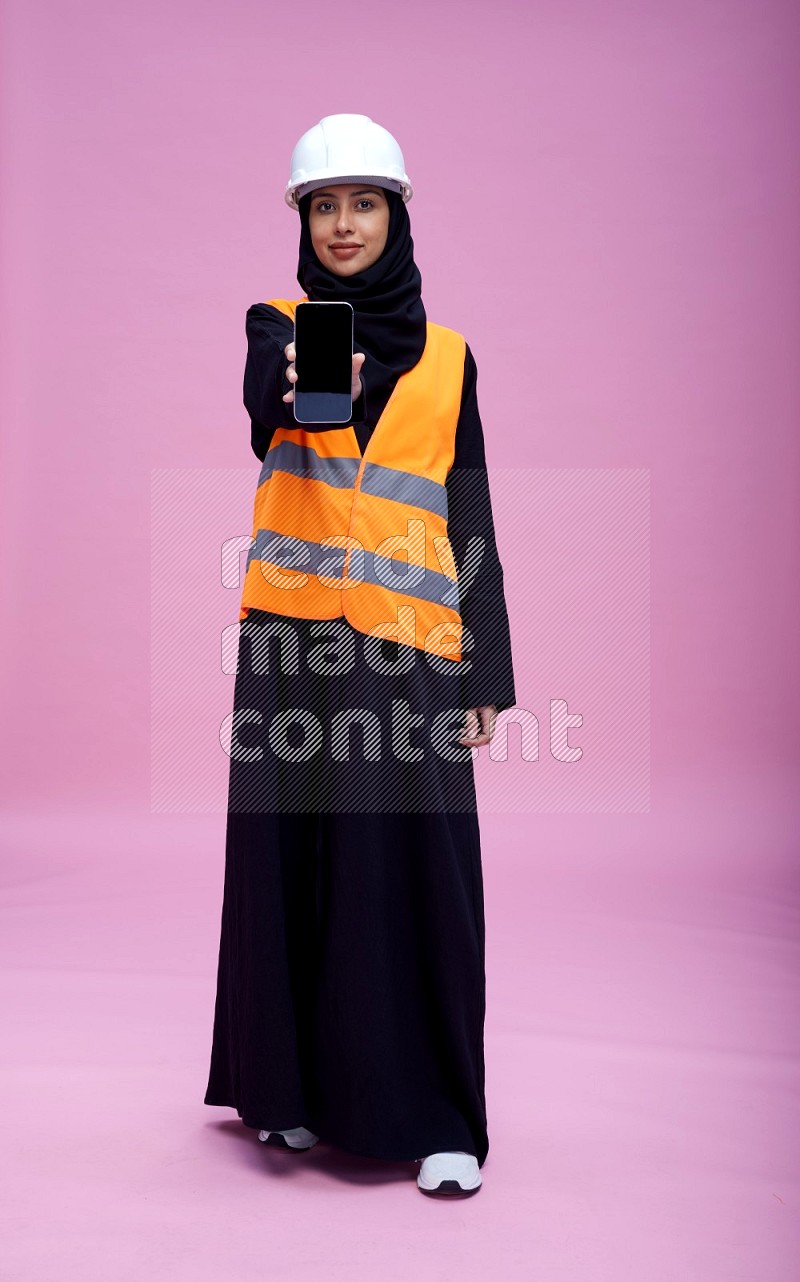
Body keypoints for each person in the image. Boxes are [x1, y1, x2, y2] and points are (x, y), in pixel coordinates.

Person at [203, 114, 516, 1198]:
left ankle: (440, 1119)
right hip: (290, 648)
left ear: (396, 214)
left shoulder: (449, 358)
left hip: (413, 656)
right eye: (322, 206)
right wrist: (287, 383)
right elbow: (261, 412)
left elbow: (466, 512)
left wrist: (488, 677)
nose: (341, 225)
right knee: (288, 867)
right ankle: (286, 1098)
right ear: (302, 218)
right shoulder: (276, 324)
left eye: (362, 204)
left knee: (415, 876)